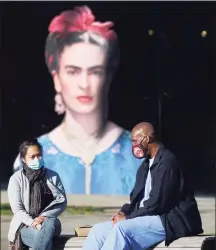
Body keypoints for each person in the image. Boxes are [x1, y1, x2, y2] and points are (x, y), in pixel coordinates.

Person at [13, 5, 142, 195]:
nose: (84, 83)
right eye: (73, 71)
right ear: (57, 78)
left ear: (108, 76)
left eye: (95, 72)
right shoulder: (33, 157)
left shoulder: (138, 155)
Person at [82, 122, 203, 250]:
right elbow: (137, 200)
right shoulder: (145, 166)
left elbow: (157, 204)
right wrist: (123, 212)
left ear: (147, 139)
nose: (133, 146)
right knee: (97, 231)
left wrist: (128, 218)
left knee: (121, 229)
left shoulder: (167, 163)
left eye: (135, 141)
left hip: (168, 220)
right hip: (147, 216)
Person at [8, 139, 67, 250]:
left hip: (51, 224)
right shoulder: (16, 179)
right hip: (25, 225)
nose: (37, 159)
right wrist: (34, 222)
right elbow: (17, 209)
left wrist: (44, 217)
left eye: (39, 155)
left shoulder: (53, 176)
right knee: (43, 239)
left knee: (49, 224)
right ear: (23, 160)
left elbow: (61, 201)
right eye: (32, 157)